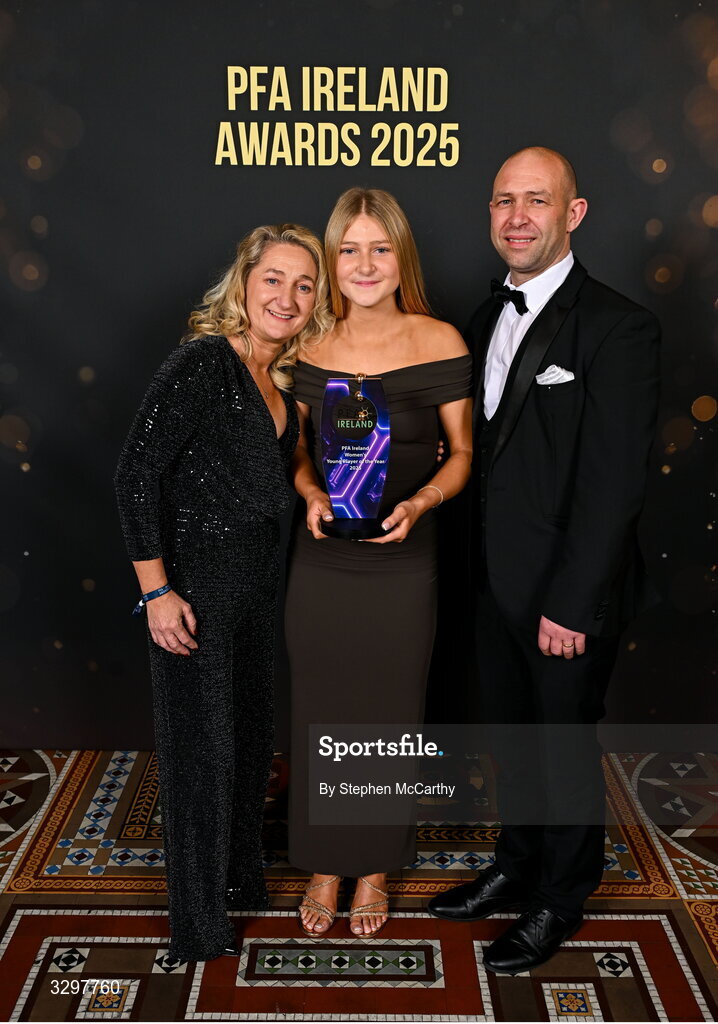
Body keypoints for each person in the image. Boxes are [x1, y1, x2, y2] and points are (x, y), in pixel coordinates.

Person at [427, 147, 661, 973]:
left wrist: (573, 603)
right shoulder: (485, 316)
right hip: (494, 582)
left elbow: (613, 487)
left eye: (536, 201)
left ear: (575, 213)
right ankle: (515, 866)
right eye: (503, 201)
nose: (517, 217)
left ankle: (561, 897)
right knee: (513, 738)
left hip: (567, 594)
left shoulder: (618, 326)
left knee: (560, 745)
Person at [114, 224, 332, 962]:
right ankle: (198, 927)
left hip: (256, 594)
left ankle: (238, 882)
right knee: (200, 760)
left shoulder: (283, 381)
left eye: (304, 285)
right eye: (273, 279)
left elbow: (286, 477)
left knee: (244, 747)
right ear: (243, 283)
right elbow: (134, 476)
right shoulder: (204, 362)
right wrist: (156, 594)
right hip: (194, 598)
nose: (288, 297)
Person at [285, 187, 473, 938]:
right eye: (349, 249)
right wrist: (306, 491)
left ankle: (375, 868)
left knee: (387, 715)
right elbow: (299, 449)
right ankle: (328, 862)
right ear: (333, 261)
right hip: (323, 561)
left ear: (402, 257)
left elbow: (462, 456)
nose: (365, 264)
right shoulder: (308, 343)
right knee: (322, 709)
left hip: (406, 562)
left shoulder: (442, 340)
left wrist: (422, 502)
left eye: (380, 247)